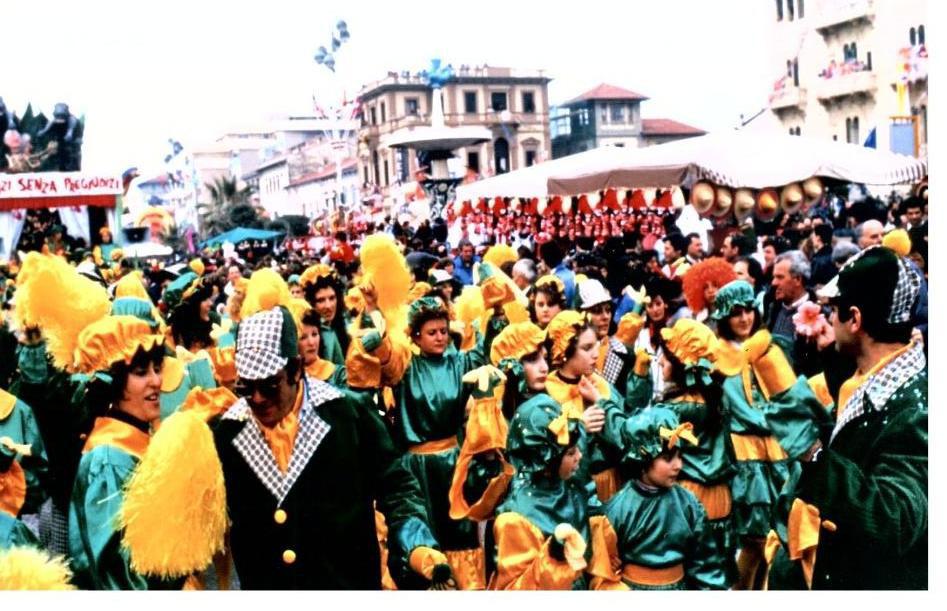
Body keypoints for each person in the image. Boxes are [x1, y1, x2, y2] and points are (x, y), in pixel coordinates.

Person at [212, 304, 451, 589]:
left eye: (270, 385)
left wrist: (414, 541)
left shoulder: (348, 414)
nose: (258, 398)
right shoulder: (229, 432)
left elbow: (397, 488)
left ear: (296, 369)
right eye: (246, 388)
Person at [763, 246, 926, 590]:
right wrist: (833, 363)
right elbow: (859, 435)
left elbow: (894, 519)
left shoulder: (917, 412)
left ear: (855, 319)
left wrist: (814, 454)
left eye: (834, 310)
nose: (828, 319)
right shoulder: (882, 374)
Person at [624, 318, 738, 586]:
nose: (661, 359)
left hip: (686, 497)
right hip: (721, 498)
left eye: (668, 354)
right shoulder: (717, 400)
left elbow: (632, 428)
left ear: (680, 364)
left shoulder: (671, 412)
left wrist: (637, 378)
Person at [587, 406, 727, 590]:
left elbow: (705, 561)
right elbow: (604, 562)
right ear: (644, 458)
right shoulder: (619, 507)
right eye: (668, 458)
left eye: (679, 456)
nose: (678, 465)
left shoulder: (689, 504)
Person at [299, 264, 350, 366]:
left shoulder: (343, 325)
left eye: (332, 298)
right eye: (321, 300)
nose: (328, 305)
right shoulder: (306, 334)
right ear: (311, 303)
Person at [767, 250, 813, 341]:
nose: (773, 283)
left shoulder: (817, 314)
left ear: (798, 279)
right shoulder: (773, 308)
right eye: (774, 277)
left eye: (780, 277)